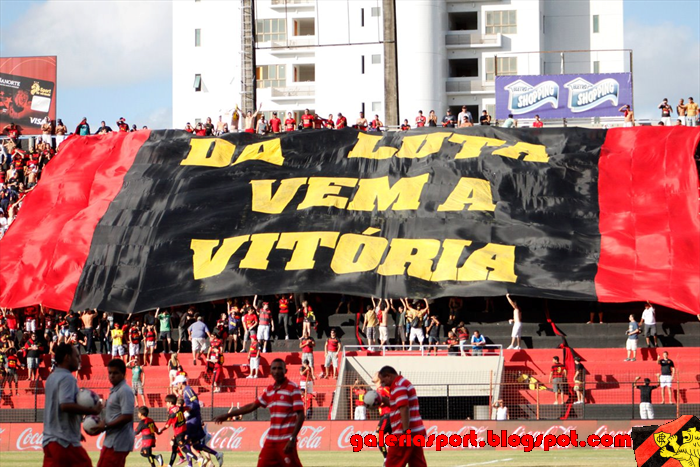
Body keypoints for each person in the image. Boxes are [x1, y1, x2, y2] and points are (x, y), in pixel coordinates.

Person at [214, 359, 305, 467]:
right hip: (270, 442)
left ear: (286, 370)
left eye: (280, 368)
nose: (277, 371)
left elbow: (301, 414)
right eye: (274, 368)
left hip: (285, 440)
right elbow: (252, 406)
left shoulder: (292, 388)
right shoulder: (269, 390)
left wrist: (292, 438)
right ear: (270, 371)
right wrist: (228, 415)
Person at [42, 343, 102, 467]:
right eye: (76, 356)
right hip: (64, 441)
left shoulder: (51, 378)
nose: (79, 359)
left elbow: (57, 408)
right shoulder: (67, 378)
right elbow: (65, 405)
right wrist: (92, 410)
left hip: (50, 440)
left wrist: (74, 430)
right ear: (67, 357)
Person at [378, 366, 427, 467]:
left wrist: (405, 433)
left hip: (403, 434)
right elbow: (396, 404)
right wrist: (381, 399)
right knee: (418, 464)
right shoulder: (403, 383)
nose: (383, 385)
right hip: (416, 432)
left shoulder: (398, 386)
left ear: (388, 376)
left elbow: (404, 408)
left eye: (383, 381)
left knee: (392, 464)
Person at [172, 375, 223, 466]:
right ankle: (217, 454)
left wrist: (183, 409)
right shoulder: (186, 391)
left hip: (193, 420)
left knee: (185, 440)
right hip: (194, 418)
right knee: (195, 444)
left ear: (180, 383)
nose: (176, 385)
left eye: (177, 383)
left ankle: (195, 461)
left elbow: (195, 404)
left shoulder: (187, 390)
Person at [94, 359, 135, 467]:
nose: (112, 376)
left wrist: (106, 425)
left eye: (115, 373)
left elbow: (127, 416)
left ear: (123, 374)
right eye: (110, 373)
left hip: (117, 442)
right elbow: (114, 414)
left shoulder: (124, 391)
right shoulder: (115, 390)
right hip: (113, 440)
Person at [160, 394, 196, 467]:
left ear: (170, 402)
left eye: (166, 403)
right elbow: (188, 408)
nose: (166, 404)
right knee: (174, 447)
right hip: (183, 429)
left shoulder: (171, 412)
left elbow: (167, 425)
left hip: (179, 432)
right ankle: (170, 465)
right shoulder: (180, 408)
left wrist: (161, 430)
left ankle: (198, 458)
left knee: (183, 448)